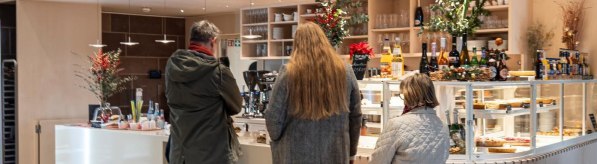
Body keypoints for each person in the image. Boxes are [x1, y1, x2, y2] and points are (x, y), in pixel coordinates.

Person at [264, 22, 362, 164]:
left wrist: (277, 138)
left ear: (297, 44)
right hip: (336, 154)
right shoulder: (346, 71)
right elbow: (355, 116)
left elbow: (273, 118)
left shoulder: (288, 73)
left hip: (294, 154)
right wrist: (351, 152)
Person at [165, 20, 243, 164]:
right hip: (211, 154)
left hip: (179, 154)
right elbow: (236, 106)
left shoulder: (171, 65)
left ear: (191, 40)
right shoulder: (218, 71)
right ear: (213, 41)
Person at [369, 74, 450, 164]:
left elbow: (378, 161)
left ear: (409, 95)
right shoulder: (443, 125)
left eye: (403, 95)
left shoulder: (396, 124)